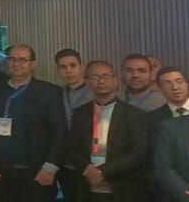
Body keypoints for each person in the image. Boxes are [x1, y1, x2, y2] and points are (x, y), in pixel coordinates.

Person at [0, 44, 65, 202]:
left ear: (33, 64)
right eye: (12, 59)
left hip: (36, 173)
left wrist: (50, 167)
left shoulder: (49, 92)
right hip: (1, 173)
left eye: (22, 60)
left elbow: (59, 131)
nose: (16, 64)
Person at [64, 60, 149, 202]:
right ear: (87, 82)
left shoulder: (134, 114)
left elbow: (139, 152)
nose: (101, 81)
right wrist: (88, 169)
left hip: (122, 187)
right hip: (87, 186)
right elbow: (71, 148)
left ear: (115, 80)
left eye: (105, 76)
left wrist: (103, 171)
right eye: (95, 77)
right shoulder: (80, 113)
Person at [54, 47, 92, 201]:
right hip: (65, 163)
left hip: (91, 162)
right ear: (58, 70)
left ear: (81, 67)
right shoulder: (56, 94)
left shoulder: (95, 92)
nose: (68, 71)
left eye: (72, 65)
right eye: (63, 67)